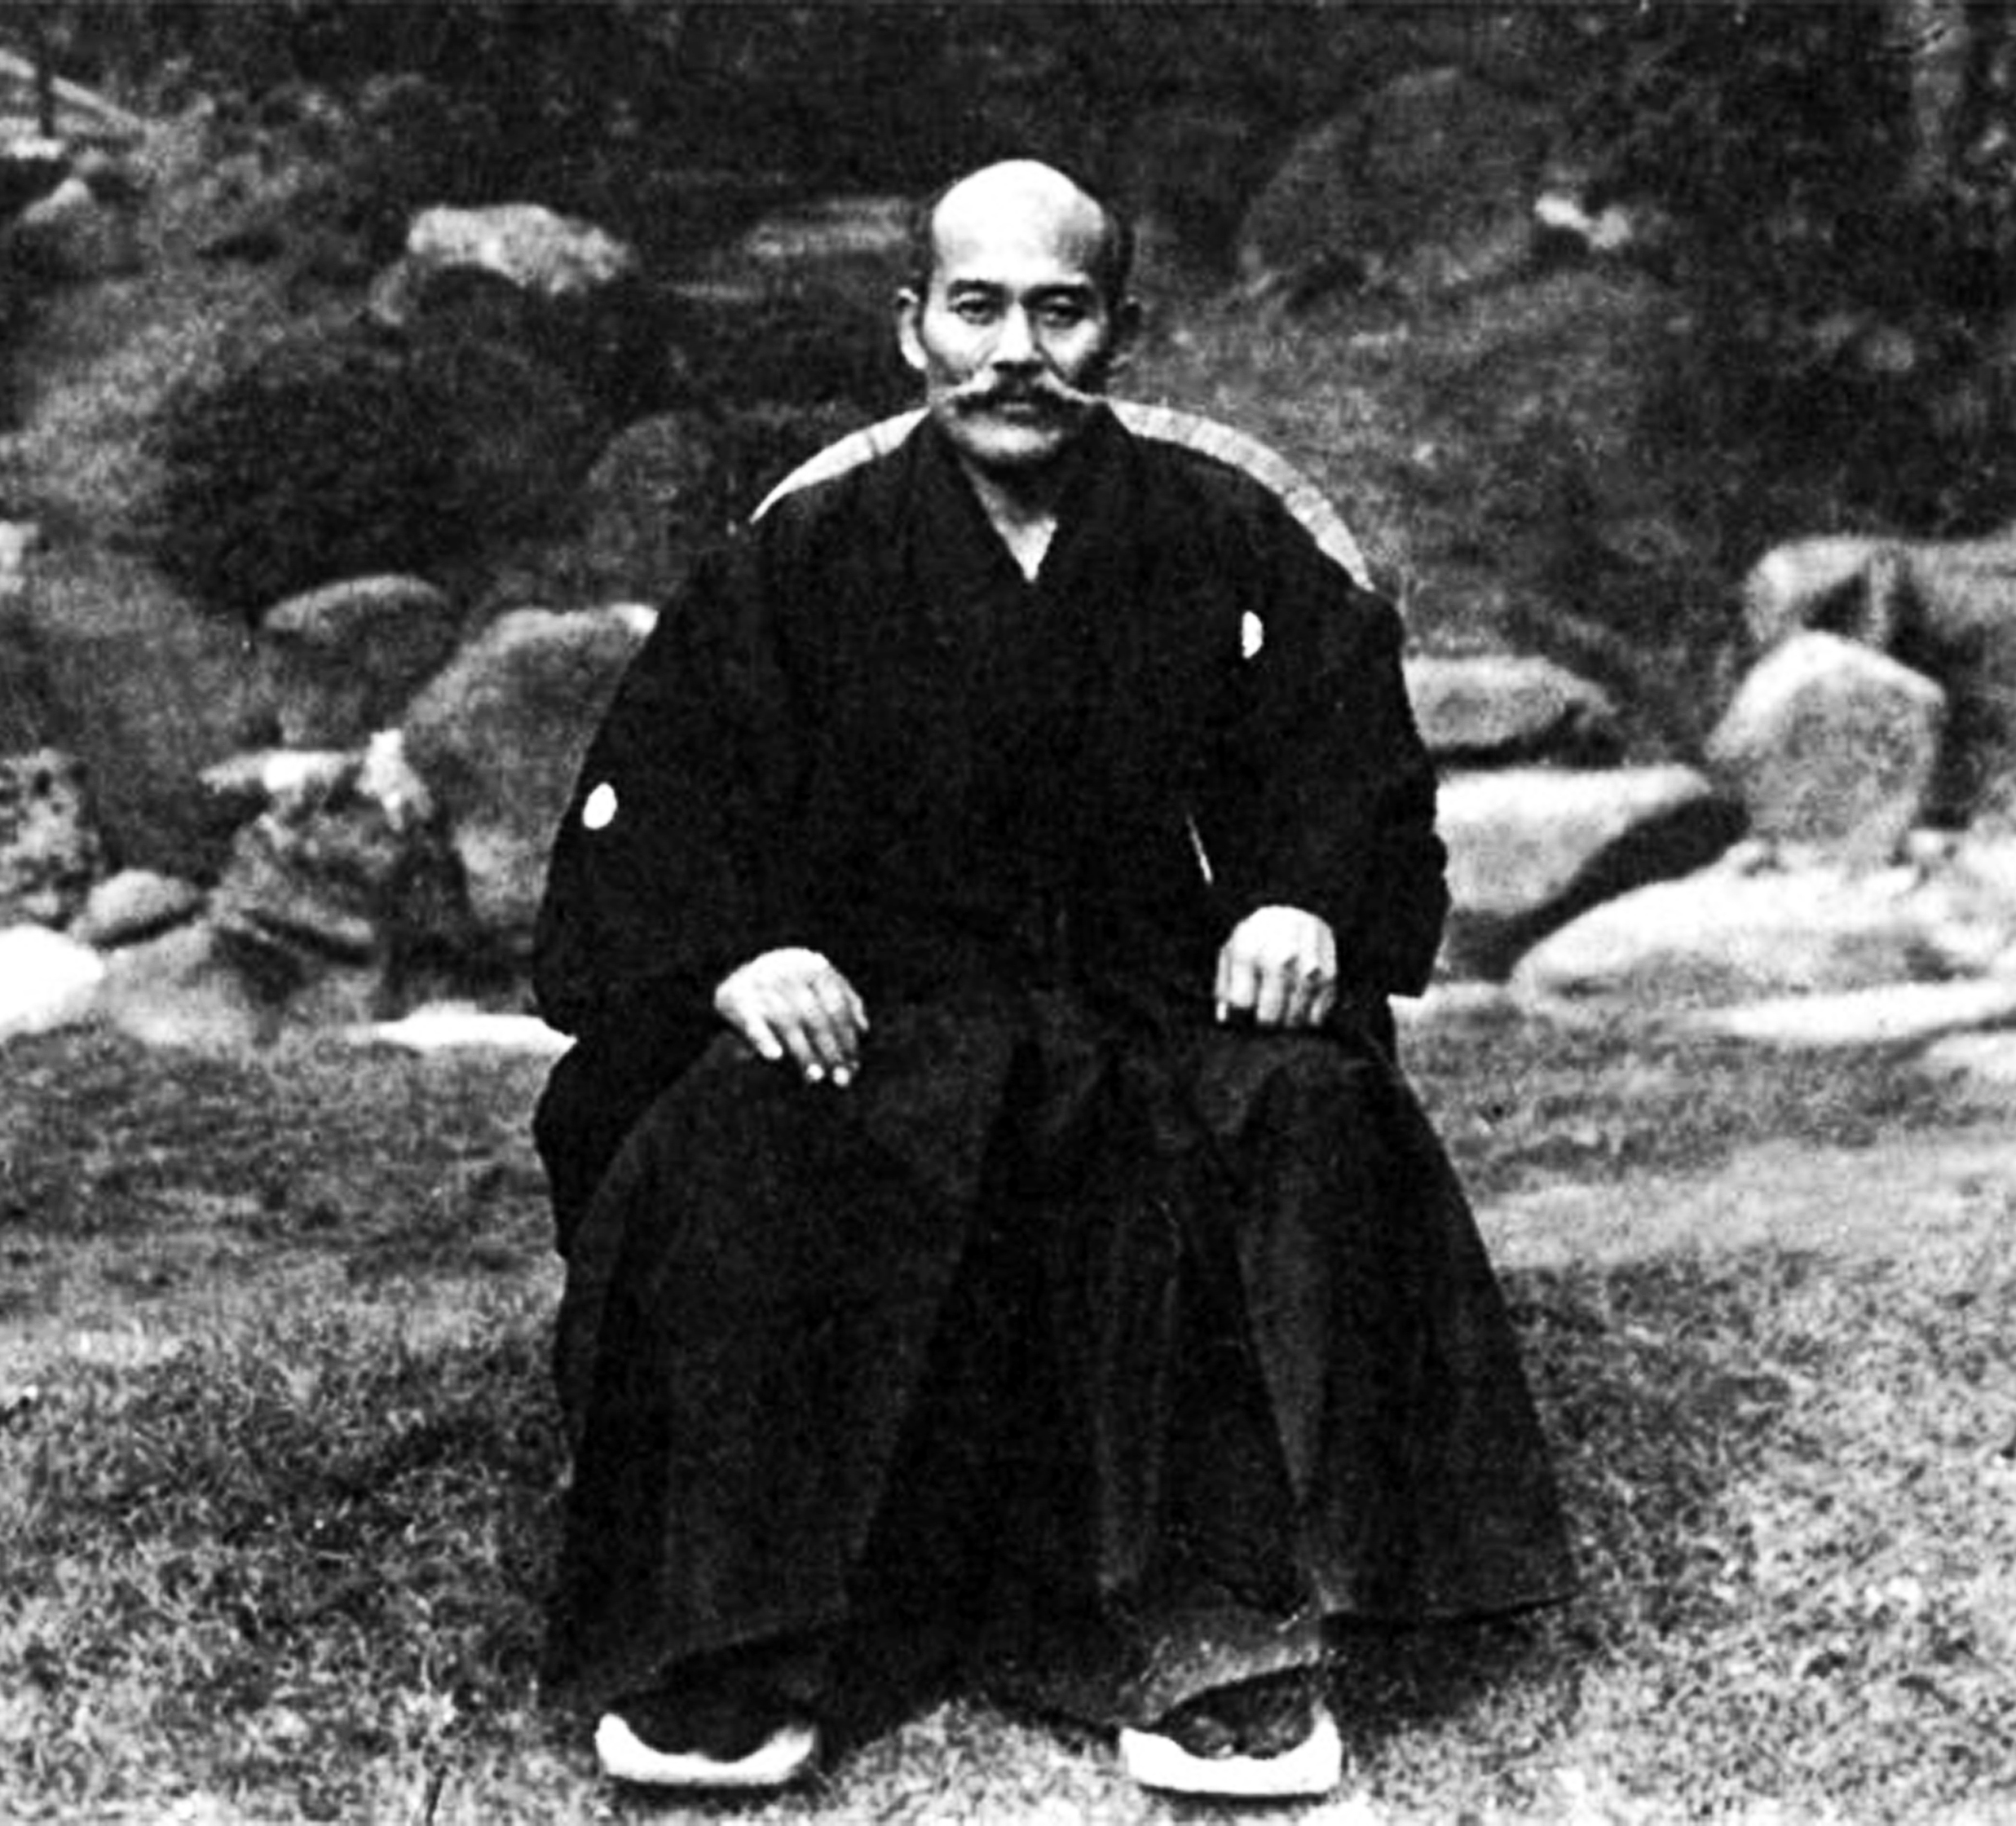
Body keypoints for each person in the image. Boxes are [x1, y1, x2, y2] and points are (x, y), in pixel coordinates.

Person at [531, 157, 1570, 1800]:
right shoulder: (807, 556)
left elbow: (1345, 753)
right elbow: (666, 792)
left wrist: (1299, 899)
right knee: (734, 1131)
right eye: (979, 308)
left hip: (1149, 993)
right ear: (913, 329)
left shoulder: (1223, 535)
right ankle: (745, 1636)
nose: (1017, 350)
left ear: (1121, 334)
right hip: (885, 1004)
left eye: (1062, 311)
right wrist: (746, 950)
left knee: (1298, 1110)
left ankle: (1217, 1631)